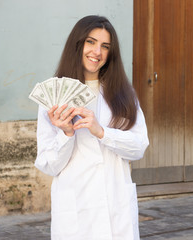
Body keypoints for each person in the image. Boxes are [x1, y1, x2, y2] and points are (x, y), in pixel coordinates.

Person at [34, 15, 149, 240]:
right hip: (76, 210)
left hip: (116, 209)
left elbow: (139, 148)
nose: (97, 52)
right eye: (91, 42)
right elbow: (48, 164)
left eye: (105, 46)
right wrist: (67, 134)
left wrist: (103, 132)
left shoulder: (124, 95)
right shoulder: (54, 97)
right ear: (77, 44)